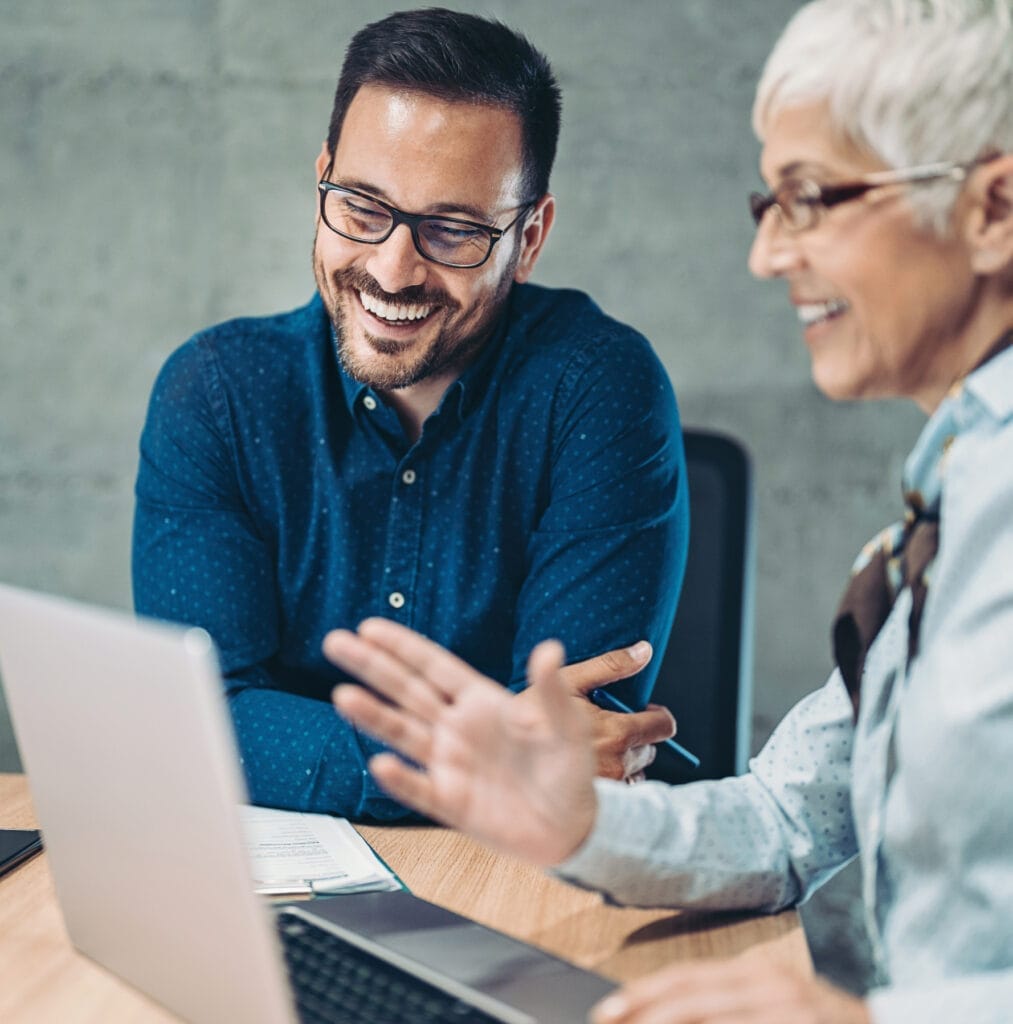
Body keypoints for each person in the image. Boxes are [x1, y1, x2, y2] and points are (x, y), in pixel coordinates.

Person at [324, 0, 1013, 1019]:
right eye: (766, 204)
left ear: (992, 211)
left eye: (812, 198)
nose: (767, 256)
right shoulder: (956, 492)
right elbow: (788, 821)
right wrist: (573, 822)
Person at [132, 9, 688, 819]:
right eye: (361, 206)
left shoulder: (601, 389)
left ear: (528, 238)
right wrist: (482, 759)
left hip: (521, 878)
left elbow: (570, 738)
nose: (392, 270)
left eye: (453, 229)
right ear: (322, 175)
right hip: (272, 884)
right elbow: (200, 720)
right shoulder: (215, 393)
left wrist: (296, 749)